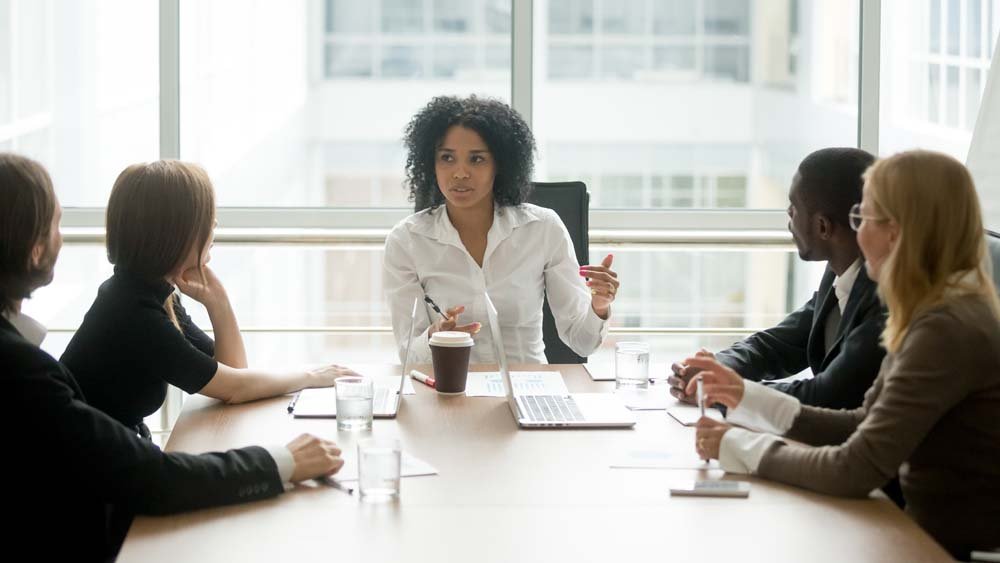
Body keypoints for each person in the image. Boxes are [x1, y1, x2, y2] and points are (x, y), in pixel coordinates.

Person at [0, 153, 344, 561]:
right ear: (36, 249)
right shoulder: (115, 319)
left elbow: (230, 373)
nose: (214, 231)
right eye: (56, 224)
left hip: (117, 482)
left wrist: (219, 304)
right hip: (97, 516)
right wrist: (284, 456)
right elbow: (162, 466)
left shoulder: (155, 296)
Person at [688, 150, 1000, 560]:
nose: (857, 234)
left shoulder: (944, 330)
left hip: (942, 549)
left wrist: (737, 447)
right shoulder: (938, 309)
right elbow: (860, 423)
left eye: (863, 218)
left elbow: (855, 468)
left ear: (896, 232)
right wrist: (744, 396)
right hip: (914, 532)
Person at [60, 160, 355, 437]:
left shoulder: (148, 293)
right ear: (173, 233)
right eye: (204, 219)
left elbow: (234, 372)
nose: (214, 225)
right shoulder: (133, 312)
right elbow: (235, 387)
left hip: (107, 457)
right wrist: (311, 376)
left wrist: (219, 303)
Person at [383, 95, 620, 364]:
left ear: (500, 164)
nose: (460, 173)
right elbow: (408, 355)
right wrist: (433, 337)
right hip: (450, 389)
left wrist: (599, 306)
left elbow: (582, 342)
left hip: (528, 389)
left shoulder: (543, 228)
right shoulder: (407, 240)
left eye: (477, 159)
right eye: (447, 158)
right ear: (430, 163)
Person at [670, 148, 885, 409]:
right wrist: (717, 368)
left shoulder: (885, 298)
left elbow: (828, 394)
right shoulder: (839, 273)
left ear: (823, 227)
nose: (788, 215)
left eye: (794, 207)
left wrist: (724, 391)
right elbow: (778, 345)